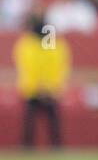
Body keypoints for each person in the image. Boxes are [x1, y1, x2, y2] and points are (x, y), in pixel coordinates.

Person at [13, 13, 71, 149]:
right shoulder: (31, 42)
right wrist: (43, 86)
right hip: (36, 89)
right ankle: (29, 146)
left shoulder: (36, 41)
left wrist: (45, 86)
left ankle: (54, 146)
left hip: (42, 89)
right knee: (32, 122)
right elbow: (30, 65)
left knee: (49, 121)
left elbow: (51, 64)